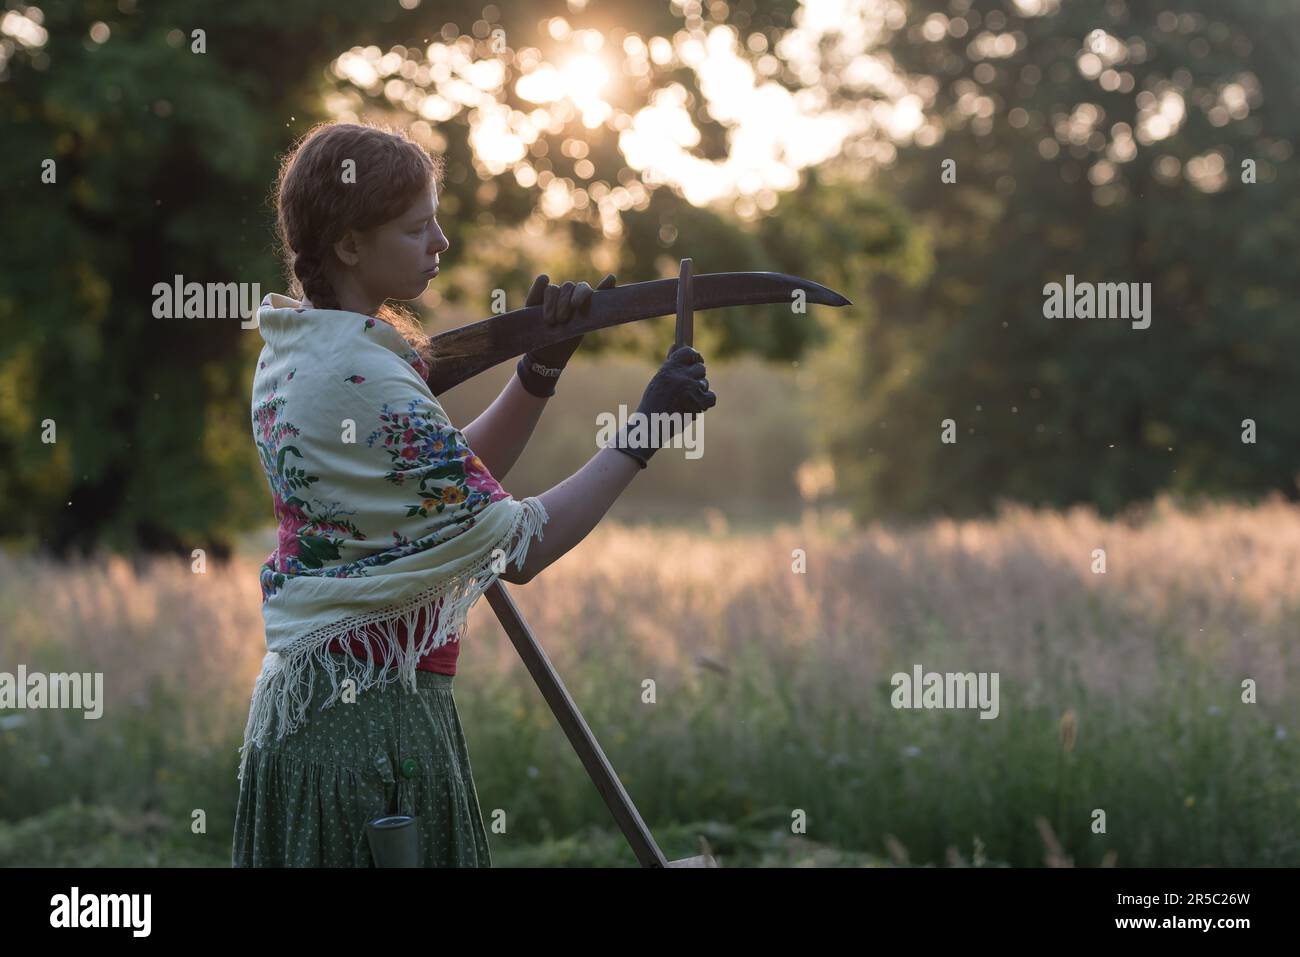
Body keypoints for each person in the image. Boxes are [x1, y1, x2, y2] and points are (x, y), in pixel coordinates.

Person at [232, 121, 716, 867]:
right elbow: (521, 544)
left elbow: (436, 482)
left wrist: (539, 371)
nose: (442, 243)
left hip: (317, 713)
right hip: (372, 729)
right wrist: (643, 431)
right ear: (351, 245)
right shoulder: (365, 376)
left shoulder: (301, 349)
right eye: (417, 227)